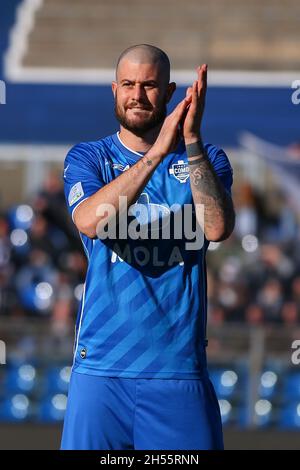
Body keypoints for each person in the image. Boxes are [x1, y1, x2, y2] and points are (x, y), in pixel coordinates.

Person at [61, 44, 235, 450]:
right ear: (114, 89)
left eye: (150, 85)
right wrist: (156, 153)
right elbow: (89, 219)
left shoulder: (207, 159)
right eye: (128, 84)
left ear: (171, 92)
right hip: (102, 372)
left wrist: (189, 141)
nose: (137, 94)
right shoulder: (90, 157)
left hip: (178, 373)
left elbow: (217, 227)